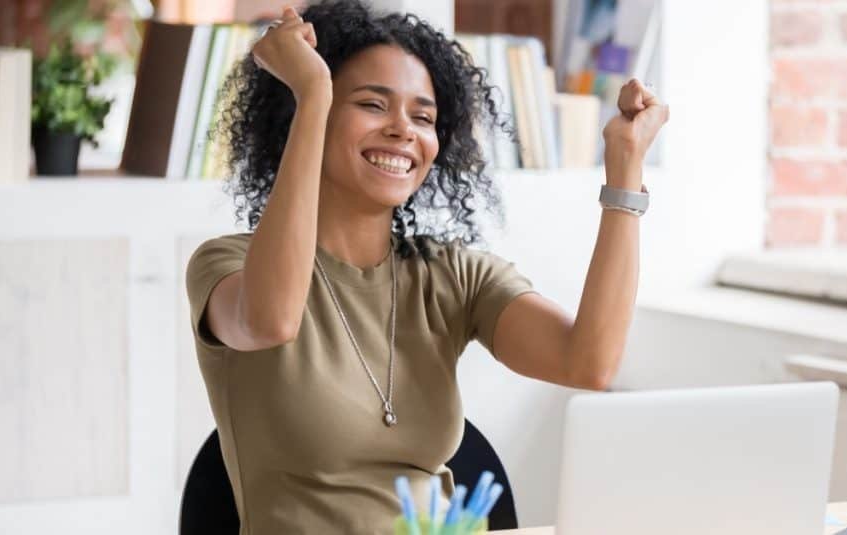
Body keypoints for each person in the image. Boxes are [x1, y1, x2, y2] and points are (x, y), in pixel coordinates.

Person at [184, 0, 668, 533]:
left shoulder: (452, 275)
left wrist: (625, 169)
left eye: (423, 117)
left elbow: (589, 363)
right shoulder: (227, 264)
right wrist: (314, 92)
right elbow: (271, 319)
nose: (403, 130)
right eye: (372, 104)